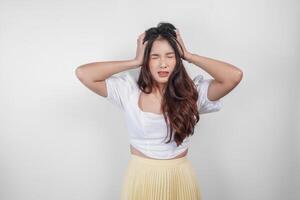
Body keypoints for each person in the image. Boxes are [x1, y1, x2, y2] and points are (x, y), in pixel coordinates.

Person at [75, 22, 243, 200]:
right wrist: (134, 61)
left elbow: (234, 76)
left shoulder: (193, 93)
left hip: (179, 178)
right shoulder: (128, 91)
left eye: (170, 56)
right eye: (155, 56)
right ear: (146, 61)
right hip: (141, 177)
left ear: (177, 60)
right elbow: (84, 73)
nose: (163, 64)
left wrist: (189, 55)